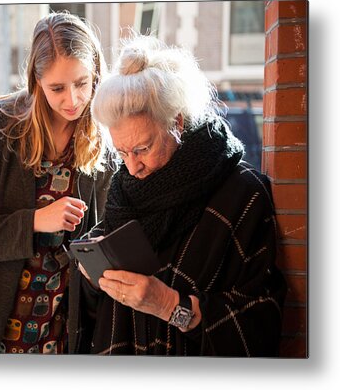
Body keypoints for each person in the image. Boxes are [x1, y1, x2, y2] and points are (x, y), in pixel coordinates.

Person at [77, 35, 287, 356]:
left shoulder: (243, 194)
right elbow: (94, 310)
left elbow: (262, 319)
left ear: (176, 122)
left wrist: (167, 305)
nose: (132, 167)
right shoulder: (124, 192)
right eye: (121, 153)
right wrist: (94, 279)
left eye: (142, 148)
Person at [0, 12, 114, 353]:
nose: (73, 100)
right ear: (36, 83)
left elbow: (104, 239)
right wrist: (36, 220)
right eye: (57, 88)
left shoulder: (102, 140)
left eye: (83, 83)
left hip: (62, 333)